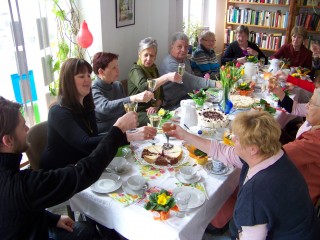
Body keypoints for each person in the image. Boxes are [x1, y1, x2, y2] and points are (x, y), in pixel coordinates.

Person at [0, 96, 137, 239]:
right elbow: (84, 173)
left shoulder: (15, 185)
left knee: (86, 229)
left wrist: (52, 219)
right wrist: (117, 130)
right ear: (8, 140)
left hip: (33, 225)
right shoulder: (20, 186)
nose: (27, 128)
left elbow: (18, 211)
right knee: (88, 232)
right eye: (23, 126)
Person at [169, 111, 320, 239]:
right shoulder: (272, 155)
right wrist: (185, 135)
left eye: (237, 138)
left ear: (253, 149)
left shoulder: (257, 191)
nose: (232, 139)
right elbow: (221, 151)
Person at [40, 58, 156, 170]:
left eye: (88, 75)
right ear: (68, 81)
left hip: (81, 166)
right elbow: (86, 144)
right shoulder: (58, 111)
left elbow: (93, 139)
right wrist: (126, 135)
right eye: (81, 76)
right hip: (58, 174)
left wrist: (128, 134)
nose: (87, 80)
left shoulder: (87, 106)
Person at [92, 52, 156, 133]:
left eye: (117, 66)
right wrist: (133, 98)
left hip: (124, 131)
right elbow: (106, 108)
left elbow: (125, 111)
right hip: (105, 135)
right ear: (101, 72)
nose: (118, 70)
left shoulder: (117, 85)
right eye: (113, 67)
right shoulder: (93, 90)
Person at [128, 37, 182, 125]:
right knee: (165, 122)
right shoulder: (135, 70)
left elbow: (160, 94)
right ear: (139, 55)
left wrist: (156, 106)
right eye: (146, 55)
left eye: (152, 55)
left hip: (154, 110)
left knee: (176, 117)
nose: (149, 59)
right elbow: (144, 87)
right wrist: (166, 77)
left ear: (155, 56)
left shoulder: (153, 69)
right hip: (138, 112)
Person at [159, 32, 220, 110]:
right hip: (173, 104)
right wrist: (214, 83)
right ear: (172, 46)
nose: (183, 50)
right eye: (179, 46)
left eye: (186, 47)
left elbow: (193, 76)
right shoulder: (169, 63)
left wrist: (200, 93)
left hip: (187, 97)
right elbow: (190, 80)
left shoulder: (185, 60)